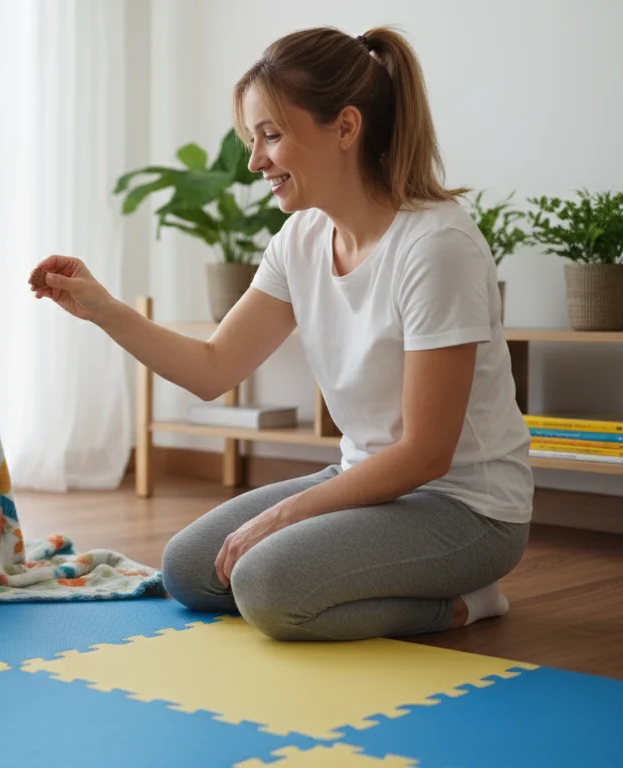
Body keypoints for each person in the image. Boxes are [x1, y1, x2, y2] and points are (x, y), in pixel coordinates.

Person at [29, 25, 533, 642]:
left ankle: (466, 602)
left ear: (345, 127)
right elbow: (214, 369)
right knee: (190, 571)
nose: (255, 160)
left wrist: (285, 516)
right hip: (366, 482)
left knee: (268, 588)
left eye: (271, 135)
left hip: (466, 510)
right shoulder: (300, 241)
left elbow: (427, 454)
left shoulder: (436, 246)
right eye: (252, 138)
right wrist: (103, 307)